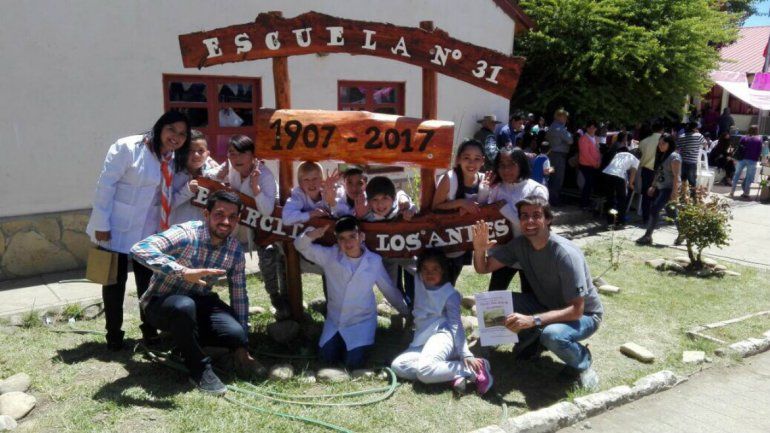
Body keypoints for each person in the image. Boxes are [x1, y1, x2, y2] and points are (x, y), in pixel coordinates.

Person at [131, 190, 265, 395]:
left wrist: (242, 346)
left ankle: (186, 345)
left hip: (200, 301)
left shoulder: (235, 251)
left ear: (238, 219)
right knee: (184, 307)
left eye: (232, 217)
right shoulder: (186, 233)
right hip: (162, 303)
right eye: (219, 214)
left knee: (235, 334)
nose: (226, 222)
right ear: (206, 214)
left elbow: (239, 296)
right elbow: (140, 248)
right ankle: (199, 369)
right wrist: (183, 272)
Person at [472, 196, 604, 390]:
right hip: (546, 305)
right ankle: (495, 345)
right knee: (493, 301)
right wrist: (479, 249)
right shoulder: (520, 245)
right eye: (524, 216)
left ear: (548, 219)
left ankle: (583, 361)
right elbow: (483, 268)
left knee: (553, 335)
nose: (530, 221)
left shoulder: (565, 254)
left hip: (586, 315)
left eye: (536, 215)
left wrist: (532, 320)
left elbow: (577, 310)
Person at [86, 110, 191, 350]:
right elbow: (105, 185)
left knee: (149, 283)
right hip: (115, 228)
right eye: (171, 130)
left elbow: (167, 194)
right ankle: (114, 335)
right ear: (160, 127)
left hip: (149, 232)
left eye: (182, 134)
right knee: (114, 283)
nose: (176, 137)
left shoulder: (172, 158)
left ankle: (150, 330)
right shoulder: (128, 147)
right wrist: (101, 223)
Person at [294, 216, 410, 369]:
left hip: (361, 321)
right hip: (335, 321)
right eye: (342, 238)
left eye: (352, 236)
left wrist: (406, 311)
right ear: (337, 241)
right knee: (327, 358)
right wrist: (312, 234)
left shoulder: (373, 261)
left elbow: (389, 289)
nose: (348, 243)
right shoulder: (330, 256)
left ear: (361, 237)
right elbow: (300, 246)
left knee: (353, 363)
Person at [207, 135, 289, 318]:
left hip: (265, 227)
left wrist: (255, 187)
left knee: (271, 258)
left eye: (242, 153)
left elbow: (267, 210)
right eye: (232, 153)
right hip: (239, 225)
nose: (237, 158)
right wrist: (219, 175)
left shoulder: (264, 175)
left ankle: (279, 300)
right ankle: (235, 308)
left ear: (253, 155)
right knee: (228, 262)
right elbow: (210, 177)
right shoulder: (231, 167)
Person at [390, 249, 493, 395]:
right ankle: (448, 373)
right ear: (419, 270)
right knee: (399, 366)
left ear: (443, 270)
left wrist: (465, 353)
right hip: (423, 339)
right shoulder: (419, 278)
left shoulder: (450, 294)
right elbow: (400, 258)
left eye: (435, 269)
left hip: (443, 335)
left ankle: (476, 368)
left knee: (424, 371)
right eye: (425, 269)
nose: (429, 273)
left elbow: (456, 325)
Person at [486, 147, 548, 292]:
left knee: (530, 295)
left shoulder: (535, 190)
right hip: (503, 252)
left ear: (521, 164)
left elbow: (535, 225)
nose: (506, 170)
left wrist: (505, 209)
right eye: (502, 165)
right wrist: (484, 191)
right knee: (495, 294)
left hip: (530, 252)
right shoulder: (497, 188)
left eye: (511, 164)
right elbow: (485, 214)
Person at [432, 139, 489, 284]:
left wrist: (485, 191)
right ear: (458, 159)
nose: (471, 163)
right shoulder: (450, 179)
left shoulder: (484, 181)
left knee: (452, 279)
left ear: (483, 161)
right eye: (466, 158)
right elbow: (435, 207)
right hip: (443, 239)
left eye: (477, 159)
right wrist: (461, 203)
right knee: (438, 280)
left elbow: (486, 210)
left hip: (464, 240)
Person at [362, 176, 418, 304]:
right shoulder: (368, 218)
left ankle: (416, 306)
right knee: (390, 288)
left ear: (392, 199)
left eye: (384, 198)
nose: (380, 204)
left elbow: (410, 205)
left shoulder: (401, 210)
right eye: (375, 200)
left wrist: (408, 207)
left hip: (406, 254)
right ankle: (403, 309)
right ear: (369, 202)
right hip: (385, 258)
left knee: (419, 276)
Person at [636, 134, 681, 246]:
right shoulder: (662, 155)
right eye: (659, 143)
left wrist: (674, 192)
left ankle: (648, 236)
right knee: (671, 212)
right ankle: (683, 232)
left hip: (668, 188)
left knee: (654, 209)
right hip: (661, 187)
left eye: (663, 143)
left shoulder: (674, 157)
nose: (660, 146)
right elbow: (658, 172)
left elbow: (676, 176)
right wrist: (653, 186)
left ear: (670, 144)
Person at [170, 130, 220, 225]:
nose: (196, 155)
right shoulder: (172, 173)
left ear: (207, 154)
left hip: (205, 230)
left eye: (200, 151)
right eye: (190, 150)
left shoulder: (215, 172)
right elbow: (164, 207)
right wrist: (187, 191)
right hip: (177, 229)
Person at [282, 161, 335, 226]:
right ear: (300, 184)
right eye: (306, 180)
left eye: (315, 179)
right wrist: (314, 213)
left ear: (322, 180)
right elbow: (286, 219)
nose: (311, 183)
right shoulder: (299, 195)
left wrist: (332, 202)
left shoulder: (330, 191)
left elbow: (342, 213)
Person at [602, 143, 639, 226]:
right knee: (621, 199)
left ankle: (610, 221)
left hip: (607, 173)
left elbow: (615, 166)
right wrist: (631, 185)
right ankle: (620, 221)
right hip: (618, 175)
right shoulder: (635, 160)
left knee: (610, 199)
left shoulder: (619, 154)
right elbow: (632, 175)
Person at [545, 108, 574, 206]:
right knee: (558, 178)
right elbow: (570, 141)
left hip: (552, 154)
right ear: (559, 117)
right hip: (559, 156)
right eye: (564, 117)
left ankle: (549, 199)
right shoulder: (560, 128)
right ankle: (554, 200)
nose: (566, 119)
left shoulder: (551, 126)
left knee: (551, 176)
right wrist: (570, 134)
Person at [637, 124, 664, 224]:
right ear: (662, 130)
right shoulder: (664, 141)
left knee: (646, 194)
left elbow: (639, 155)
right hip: (659, 171)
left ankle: (646, 218)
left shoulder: (643, 141)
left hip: (646, 170)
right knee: (658, 195)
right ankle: (654, 217)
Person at [730, 124, 763, 199]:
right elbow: (759, 150)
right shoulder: (759, 139)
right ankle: (746, 193)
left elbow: (739, 148)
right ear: (757, 131)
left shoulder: (744, 138)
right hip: (753, 159)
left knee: (737, 175)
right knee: (749, 177)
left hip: (742, 158)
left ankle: (732, 191)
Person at [676, 122, 705, 196]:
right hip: (692, 162)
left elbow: (678, 148)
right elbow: (705, 144)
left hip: (682, 161)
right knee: (692, 181)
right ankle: (693, 196)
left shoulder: (681, 136)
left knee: (683, 180)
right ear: (695, 128)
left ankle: (682, 196)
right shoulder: (699, 136)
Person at [577, 121, 601, 210]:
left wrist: (599, 161)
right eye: (590, 127)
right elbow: (585, 154)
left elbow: (598, 151)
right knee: (587, 184)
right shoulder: (583, 139)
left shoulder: (596, 138)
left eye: (593, 127)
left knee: (590, 185)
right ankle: (583, 204)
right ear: (587, 128)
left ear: (596, 129)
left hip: (594, 166)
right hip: (585, 165)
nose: (591, 129)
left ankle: (587, 203)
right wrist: (595, 163)